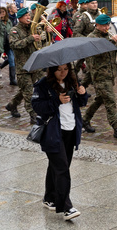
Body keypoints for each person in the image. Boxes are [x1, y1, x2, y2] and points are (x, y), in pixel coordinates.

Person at [32, 63, 87, 221]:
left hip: (70, 130)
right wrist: (57, 100)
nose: (63, 73)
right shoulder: (43, 84)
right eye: (59, 70)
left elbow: (81, 103)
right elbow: (37, 106)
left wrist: (82, 93)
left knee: (58, 166)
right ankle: (66, 207)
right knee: (62, 168)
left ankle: (49, 197)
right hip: (52, 132)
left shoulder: (73, 82)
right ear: (52, 70)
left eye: (65, 69)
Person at [82, 14, 117, 139]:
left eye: (108, 24)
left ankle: (85, 119)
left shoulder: (108, 36)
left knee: (100, 99)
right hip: (99, 76)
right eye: (104, 25)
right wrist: (111, 41)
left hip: (110, 74)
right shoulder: (91, 37)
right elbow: (97, 53)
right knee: (110, 101)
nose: (107, 27)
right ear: (97, 25)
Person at [6, 7, 42, 123]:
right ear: (20, 18)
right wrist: (30, 38)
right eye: (26, 16)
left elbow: (41, 43)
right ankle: (33, 115)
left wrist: (45, 32)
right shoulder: (14, 30)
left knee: (24, 90)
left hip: (34, 65)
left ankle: (12, 105)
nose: (29, 17)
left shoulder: (32, 28)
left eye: (29, 15)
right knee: (29, 92)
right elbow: (15, 44)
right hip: (23, 67)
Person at [0, 7, 17, 86]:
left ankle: (12, 79)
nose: (2, 13)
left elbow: (11, 30)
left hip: (8, 44)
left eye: (3, 12)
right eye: (0, 12)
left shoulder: (9, 22)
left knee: (11, 60)